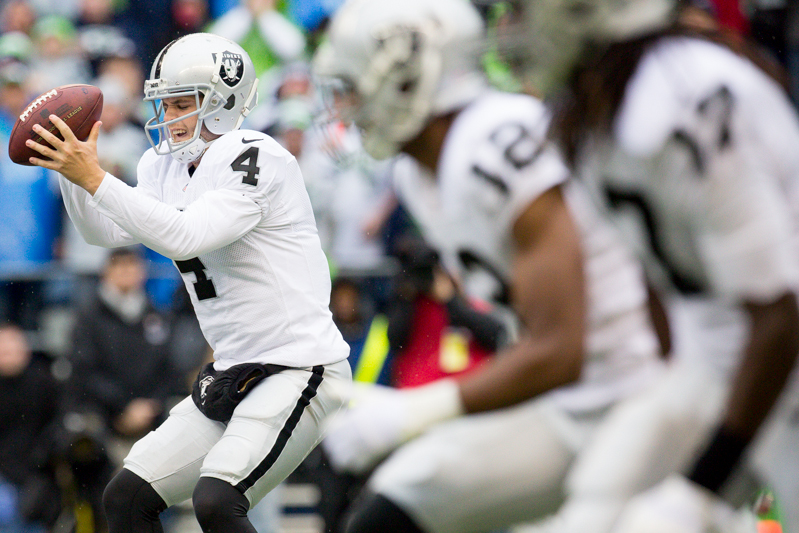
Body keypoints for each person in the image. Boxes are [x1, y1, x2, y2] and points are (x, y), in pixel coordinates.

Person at [312, 0, 664, 531]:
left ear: (407, 80)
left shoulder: (492, 144)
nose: (349, 108)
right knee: (390, 510)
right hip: (570, 402)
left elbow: (561, 348)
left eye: (356, 88)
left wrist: (414, 411)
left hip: (637, 396)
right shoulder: (416, 173)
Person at [23, 32, 351, 533]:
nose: (169, 116)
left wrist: (94, 178)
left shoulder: (257, 155)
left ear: (223, 103)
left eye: (182, 103)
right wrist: (71, 171)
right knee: (126, 497)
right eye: (165, 103)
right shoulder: (163, 165)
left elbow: (185, 234)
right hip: (233, 370)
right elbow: (101, 232)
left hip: (299, 365)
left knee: (218, 500)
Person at [500, 0, 799, 530]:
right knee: (594, 508)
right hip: (717, 364)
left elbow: (782, 313)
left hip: (775, 361)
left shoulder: (680, 97)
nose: (509, 27)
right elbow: (660, 282)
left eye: (522, 8)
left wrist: (702, 485)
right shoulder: (589, 112)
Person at [68, 246, 184, 466]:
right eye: (118, 265)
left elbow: (169, 369)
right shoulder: (88, 318)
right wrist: (123, 406)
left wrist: (150, 406)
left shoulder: (157, 316)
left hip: (152, 416)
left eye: (132, 265)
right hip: (103, 416)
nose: (126, 271)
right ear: (106, 272)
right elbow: (84, 371)